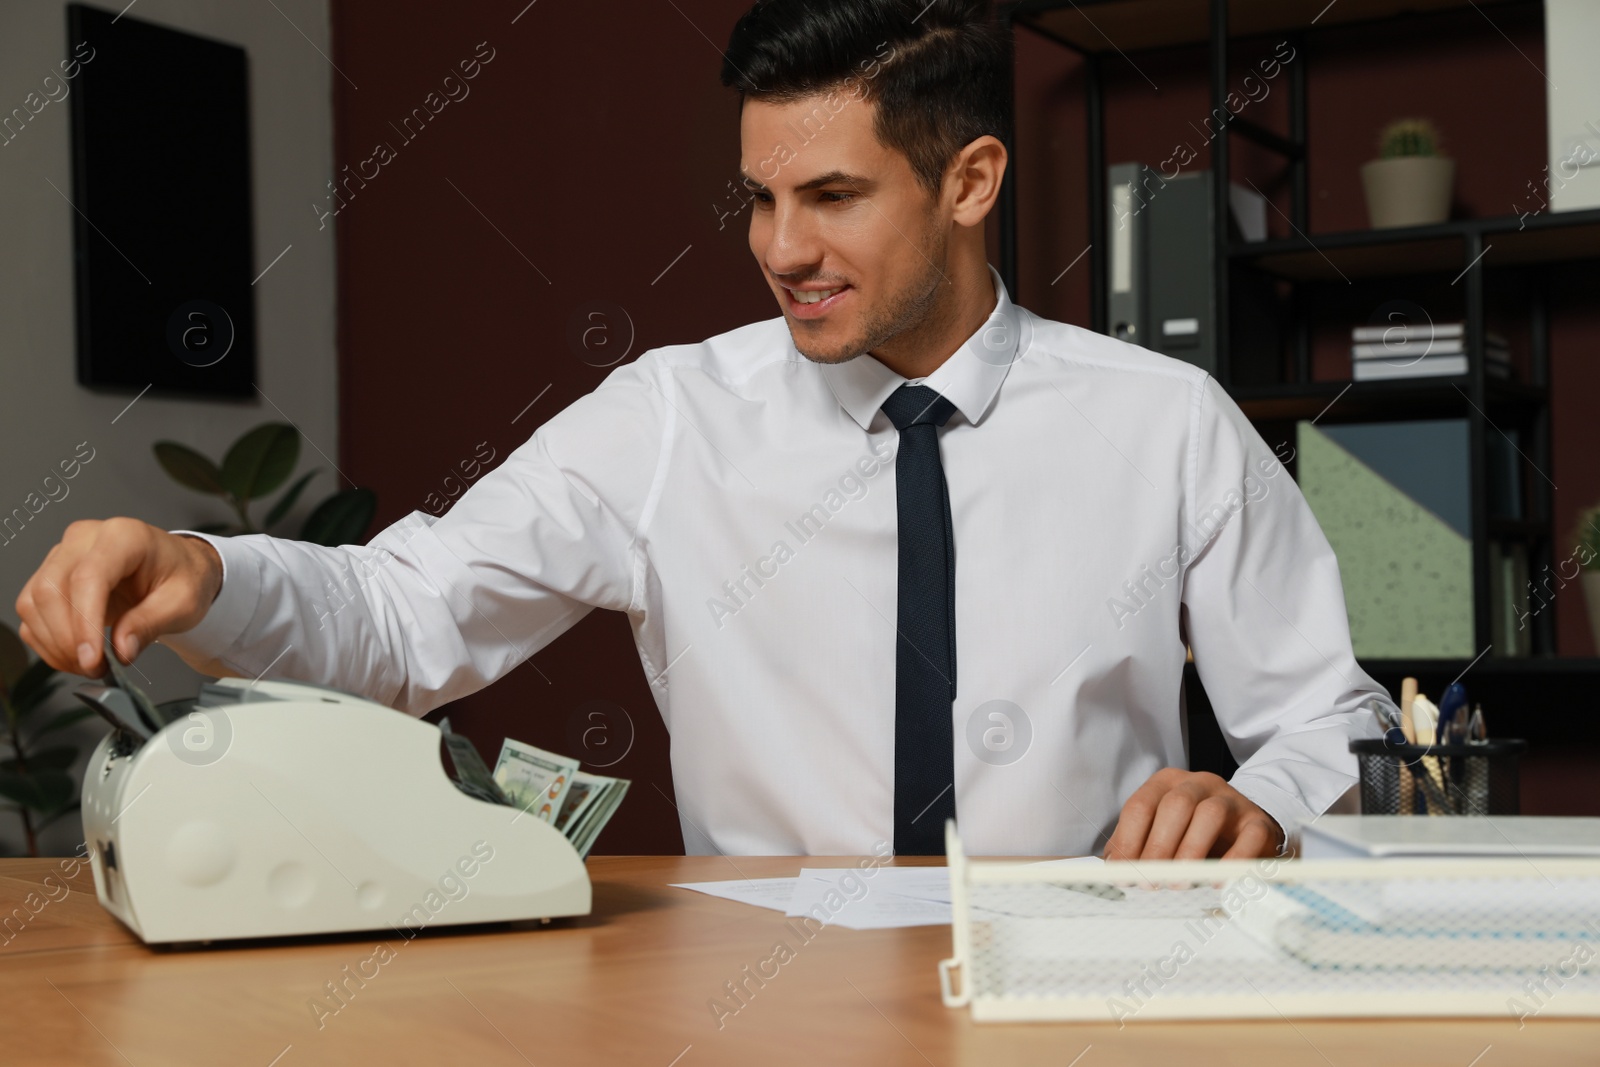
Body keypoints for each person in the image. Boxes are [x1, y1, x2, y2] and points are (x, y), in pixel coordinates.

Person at [15, 0, 1391, 861]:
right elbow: (405, 614)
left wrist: (1257, 802)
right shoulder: (673, 417)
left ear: (971, 181)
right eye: (757, 199)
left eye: (834, 197)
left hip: (1082, 992)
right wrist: (207, 570)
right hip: (758, 1000)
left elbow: (1328, 717)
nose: (780, 250)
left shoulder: (1166, 424)